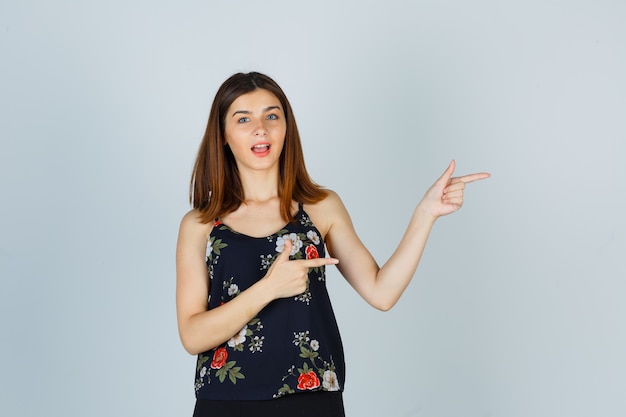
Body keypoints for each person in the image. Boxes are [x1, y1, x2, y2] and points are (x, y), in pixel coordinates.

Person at [176, 72, 490, 417]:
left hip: (311, 401)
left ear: (286, 127)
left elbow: (381, 293)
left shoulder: (321, 207)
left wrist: (425, 214)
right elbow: (192, 335)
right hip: (225, 403)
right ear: (223, 134)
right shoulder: (201, 225)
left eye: (271, 115)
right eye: (243, 119)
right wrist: (269, 288)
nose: (260, 129)